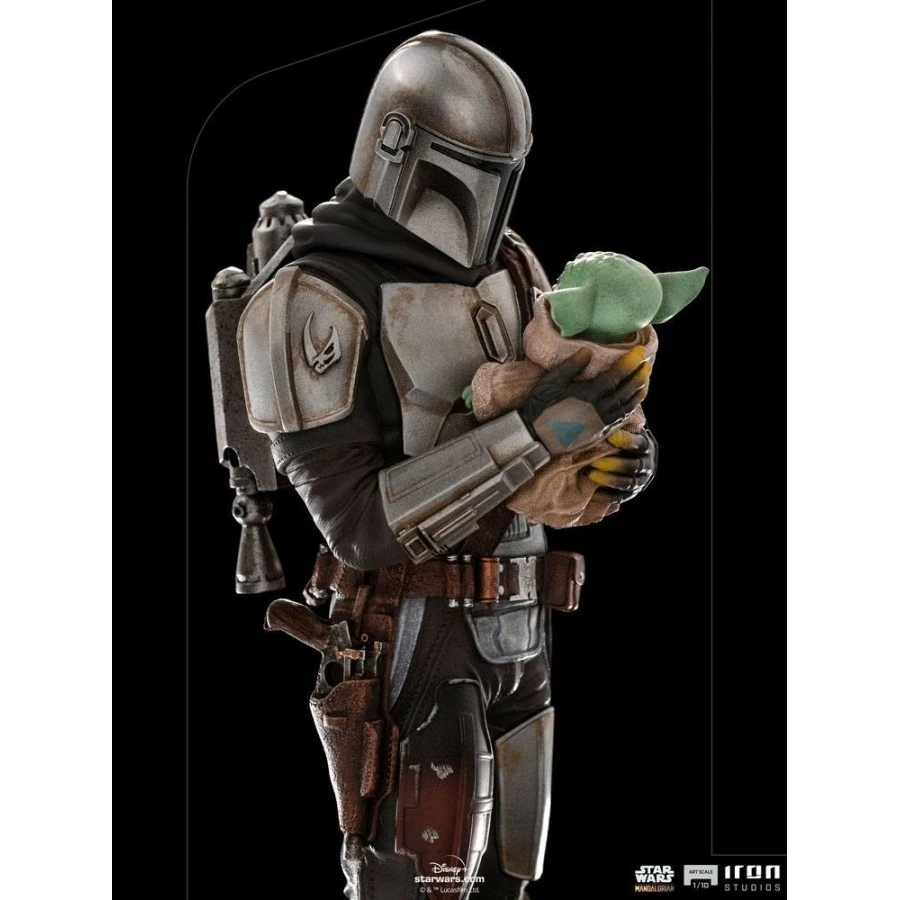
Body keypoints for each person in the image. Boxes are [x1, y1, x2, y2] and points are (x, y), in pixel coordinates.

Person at [236, 31, 657, 900]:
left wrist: (617, 458)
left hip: (524, 625)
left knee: (513, 874)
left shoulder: (512, 264)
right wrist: (539, 429)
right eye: (470, 169)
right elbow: (358, 526)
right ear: (398, 147)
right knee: (417, 880)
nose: (485, 198)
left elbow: (561, 431)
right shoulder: (313, 296)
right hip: (410, 631)